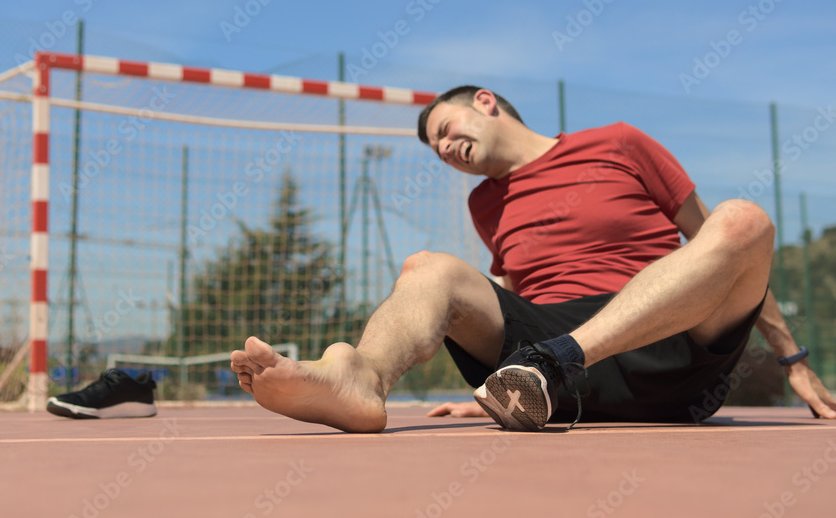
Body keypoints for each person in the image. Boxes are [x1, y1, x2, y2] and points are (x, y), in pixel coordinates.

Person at [230, 86, 836, 432]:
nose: (444, 147)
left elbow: (725, 252)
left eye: (445, 128)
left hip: (667, 349)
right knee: (428, 267)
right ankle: (359, 381)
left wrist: (793, 358)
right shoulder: (485, 204)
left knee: (744, 221)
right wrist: (473, 361)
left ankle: (556, 361)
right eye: (438, 149)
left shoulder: (619, 143)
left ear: (486, 103)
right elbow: (503, 289)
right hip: (547, 370)